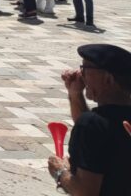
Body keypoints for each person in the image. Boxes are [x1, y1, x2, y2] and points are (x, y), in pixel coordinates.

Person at [48, 44, 131, 194]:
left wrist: (60, 171)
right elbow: (96, 134)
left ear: (108, 78)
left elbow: (86, 192)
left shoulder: (92, 124)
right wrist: (75, 93)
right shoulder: (114, 121)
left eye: (86, 69)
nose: (81, 74)